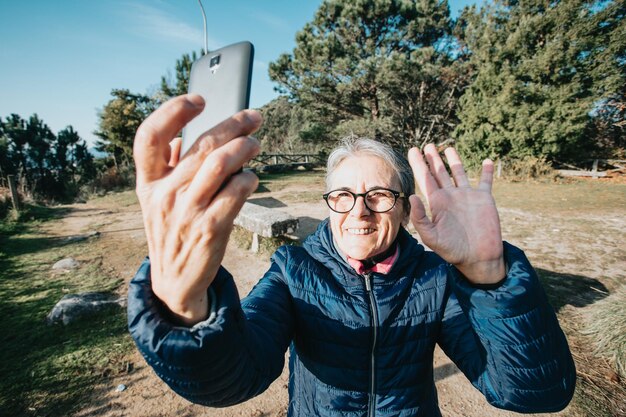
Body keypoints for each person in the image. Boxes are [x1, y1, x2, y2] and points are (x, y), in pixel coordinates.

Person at [128, 94, 576, 416]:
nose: (359, 211)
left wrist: (489, 275)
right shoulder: (293, 270)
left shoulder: (433, 277)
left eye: (379, 195)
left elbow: (533, 394)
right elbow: (235, 379)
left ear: (405, 207)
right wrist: (184, 310)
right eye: (343, 194)